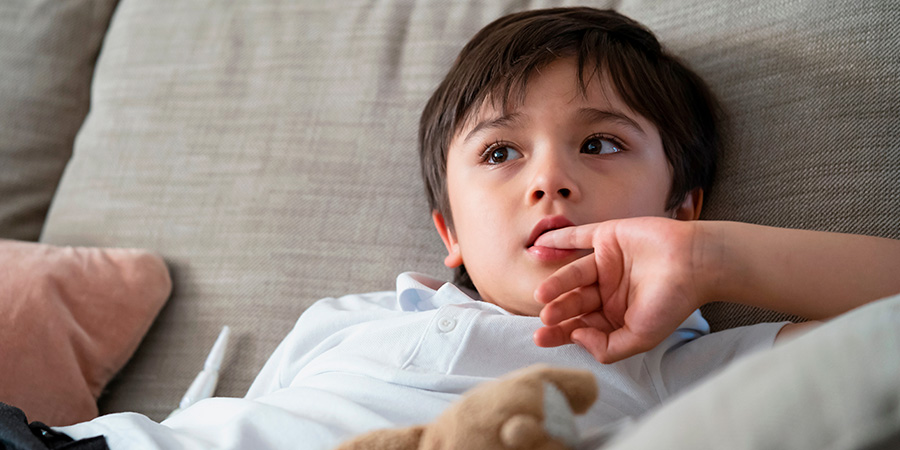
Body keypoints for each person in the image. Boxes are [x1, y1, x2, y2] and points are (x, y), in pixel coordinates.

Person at [46, 6, 900, 450]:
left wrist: (707, 258)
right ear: (448, 231)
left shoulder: (675, 371)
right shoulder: (350, 319)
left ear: (681, 203)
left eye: (600, 144)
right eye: (500, 154)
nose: (550, 178)